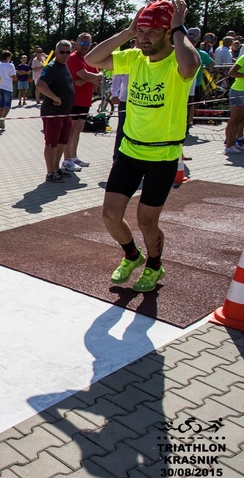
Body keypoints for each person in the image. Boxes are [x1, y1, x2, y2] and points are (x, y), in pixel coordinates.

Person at [85, 0, 200, 292]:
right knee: (110, 215)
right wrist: (127, 31)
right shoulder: (135, 57)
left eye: (152, 32)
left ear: (167, 32)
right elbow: (93, 60)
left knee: (147, 222)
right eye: (142, 30)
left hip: (162, 155)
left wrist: (178, 28)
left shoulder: (177, 60)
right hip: (129, 151)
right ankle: (132, 256)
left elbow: (190, 65)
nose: (144, 37)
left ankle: (154, 265)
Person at [62, 32, 103, 172]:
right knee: (70, 130)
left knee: (78, 130)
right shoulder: (73, 58)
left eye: (87, 44)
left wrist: (88, 78)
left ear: (91, 45)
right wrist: (89, 77)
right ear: (77, 43)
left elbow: (99, 76)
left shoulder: (90, 59)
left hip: (85, 101)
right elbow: (87, 76)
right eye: (82, 43)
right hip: (73, 100)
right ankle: (66, 160)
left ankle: (73, 157)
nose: (84, 46)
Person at [37, 40, 75, 183]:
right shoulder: (52, 66)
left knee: (62, 142)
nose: (65, 54)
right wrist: (54, 97)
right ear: (56, 52)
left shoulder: (64, 66)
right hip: (53, 112)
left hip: (65, 112)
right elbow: (40, 84)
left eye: (68, 52)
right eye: (62, 52)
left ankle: (56, 168)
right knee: (51, 143)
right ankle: (50, 172)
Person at [185, 27, 214, 133]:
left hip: (186, 84)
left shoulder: (178, 51)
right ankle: (187, 126)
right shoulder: (201, 53)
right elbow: (212, 65)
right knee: (191, 106)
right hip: (195, 84)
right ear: (198, 40)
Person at [223, 52, 244, 154]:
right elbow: (231, 73)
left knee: (240, 120)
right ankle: (228, 145)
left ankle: (233, 143)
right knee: (234, 119)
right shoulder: (243, 58)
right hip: (238, 91)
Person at [0, 50, 17, 129]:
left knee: (0, 105)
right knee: (7, 105)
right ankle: (3, 117)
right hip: (8, 87)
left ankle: (1, 119)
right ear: (8, 57)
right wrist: (13, 77)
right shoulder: (11, 65)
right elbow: (13, 77)